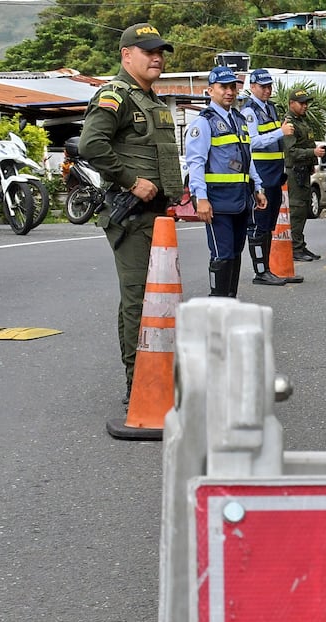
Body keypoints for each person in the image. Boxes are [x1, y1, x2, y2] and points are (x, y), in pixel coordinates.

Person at [78, 22, 184, 404]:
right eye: (148, 51)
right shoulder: (115, 95)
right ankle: (137, 383)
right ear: (126, 55)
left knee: (162, 300)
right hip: (133, 215)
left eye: (160, 52)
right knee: (140, 298)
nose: (157, 57)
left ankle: (157, 374)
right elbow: (91, 145)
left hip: (160, 217)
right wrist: (129, 180)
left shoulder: (152, 100)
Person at [185, 66, 267, 298]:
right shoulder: (204, 123)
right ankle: (217, 304)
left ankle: (229, 300)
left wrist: (258, 186)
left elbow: (247, 157)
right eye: (224, 87)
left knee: (235, 252)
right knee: (222, 253)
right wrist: (201, 198)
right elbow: (196, 163)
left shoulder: (239, 119)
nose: (229, 92)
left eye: (233, 87)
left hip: (240, 198)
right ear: (211, 90)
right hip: (217, 201)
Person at [241, 67, 294, 286]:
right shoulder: (249, 111)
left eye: (269, 86)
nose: (267, 90)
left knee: (270, 225)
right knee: (259, 225)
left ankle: (268, 269)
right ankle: (260, 271)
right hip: (261, 172)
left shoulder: (271, 108)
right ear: (252, 87)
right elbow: (252, 141)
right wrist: (280, 132)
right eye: (263, 86)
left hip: (274, 173)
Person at [282, 88, 324, 262]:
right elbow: (291, 152)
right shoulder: (289, 123)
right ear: (292, 104)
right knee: (297, 209)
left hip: (304, 170)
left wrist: (312, 163)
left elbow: (307, 142)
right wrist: (312, 153)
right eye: (301, 103)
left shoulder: (303, 121)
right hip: (294, 171)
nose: (305, 106)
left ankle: (299, 244)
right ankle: (294, 247)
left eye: (306, 103)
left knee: (304, 208)